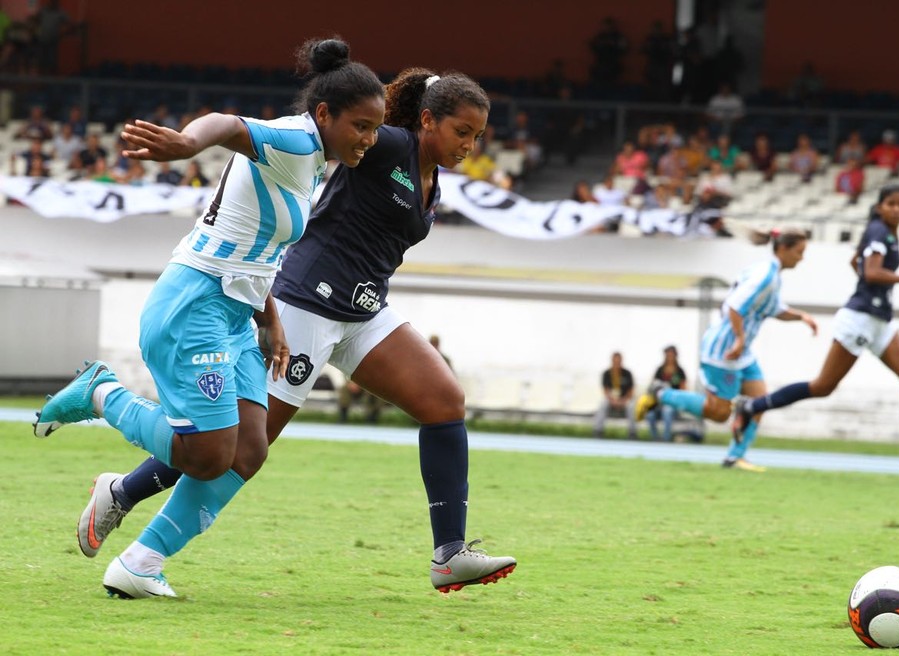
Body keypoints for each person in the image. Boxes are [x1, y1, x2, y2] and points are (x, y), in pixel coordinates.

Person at [58, 63, 516, 596]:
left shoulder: (428, 177)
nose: (470, 145)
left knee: (443, 401)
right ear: (427, 121)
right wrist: (193, 143)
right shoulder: (387, 144)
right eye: (462, 132)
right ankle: (137, 548)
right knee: (243, 448)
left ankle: (449, 554)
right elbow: (290, 134)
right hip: (305, 305)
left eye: (478, 136)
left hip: (364, 311)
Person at [33, 37, 389, 599]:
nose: (369, 140)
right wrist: (185, 144)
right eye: (361, 126)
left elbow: (256, 246)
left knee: (248, 451)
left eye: (376, 128)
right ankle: (100, 393)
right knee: (206, 456)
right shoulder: (297, 140)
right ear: (324, 113)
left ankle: (140, 565)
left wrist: (269, 318)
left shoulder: (318, 160)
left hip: (236, 311)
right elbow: (226, 124)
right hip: (193, 305)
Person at [732, 185, 899, 478]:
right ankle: (751, 407)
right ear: (880, 206)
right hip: (860, 319)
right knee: (822, 386)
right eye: (891, 203)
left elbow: (856, 263)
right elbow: (870, 272)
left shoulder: (884, 232)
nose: (897, 209)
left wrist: (872, 288)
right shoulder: (877, 231)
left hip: (880, 320)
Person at [637, 229, 818, 470]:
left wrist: (801, 317)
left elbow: (774, 309)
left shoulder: (771, 275)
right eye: (799, 252)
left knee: (759, 401)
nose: (802, 258)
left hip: (741, 354)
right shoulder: (765, 276)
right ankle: (660, 394)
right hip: (723, 351)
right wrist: (740, 339)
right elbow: (733, 306)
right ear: (783, 249)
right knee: (719, 413)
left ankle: (734, 457)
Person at [644, 345, 687, 442]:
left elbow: (683, 390)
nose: (669, 357)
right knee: (650, 414)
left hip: (672, 404)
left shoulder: (680, 372)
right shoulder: (659, 370)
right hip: (659, 403)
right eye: (667, 355)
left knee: (667, 411)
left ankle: (666, 438)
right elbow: (653, 387)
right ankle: (655, 438)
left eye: (671, 355)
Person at [593, 352, 637, 439]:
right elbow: (605, 391)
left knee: (631, 406)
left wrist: (623, 400)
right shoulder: (606, 373)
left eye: (618, 361)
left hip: (624, 399)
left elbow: (631, 391)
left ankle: (632, 432)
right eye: (615, 361)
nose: (617, 363)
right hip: (611, 400)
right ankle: (598, 430)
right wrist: (612, 400)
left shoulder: (627, 373)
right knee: (602, 404)